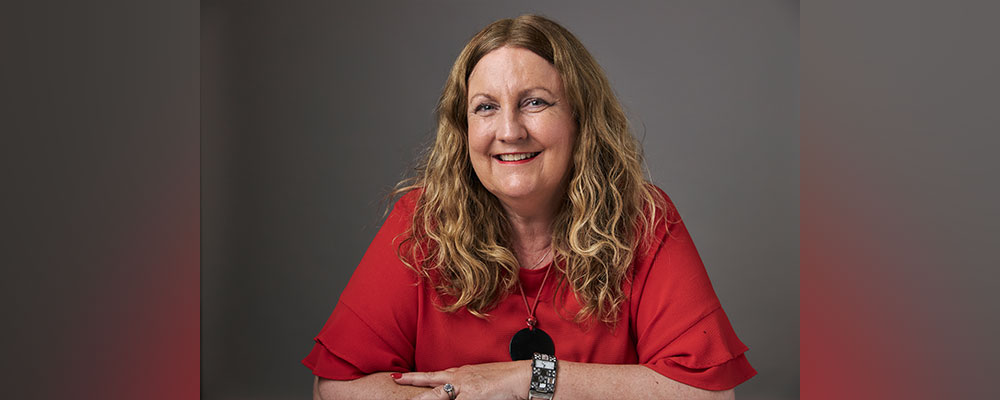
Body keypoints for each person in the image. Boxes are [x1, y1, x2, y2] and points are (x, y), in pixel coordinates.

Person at [304, 14, 756, 400]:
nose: (510, 130)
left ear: (580, 118)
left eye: (534, 102)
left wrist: (528, 378)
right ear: (463, 131)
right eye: (485, 108)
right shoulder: (422, 222)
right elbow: (338, 386)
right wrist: (462, 391)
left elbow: (708, 392)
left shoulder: (643, 219)